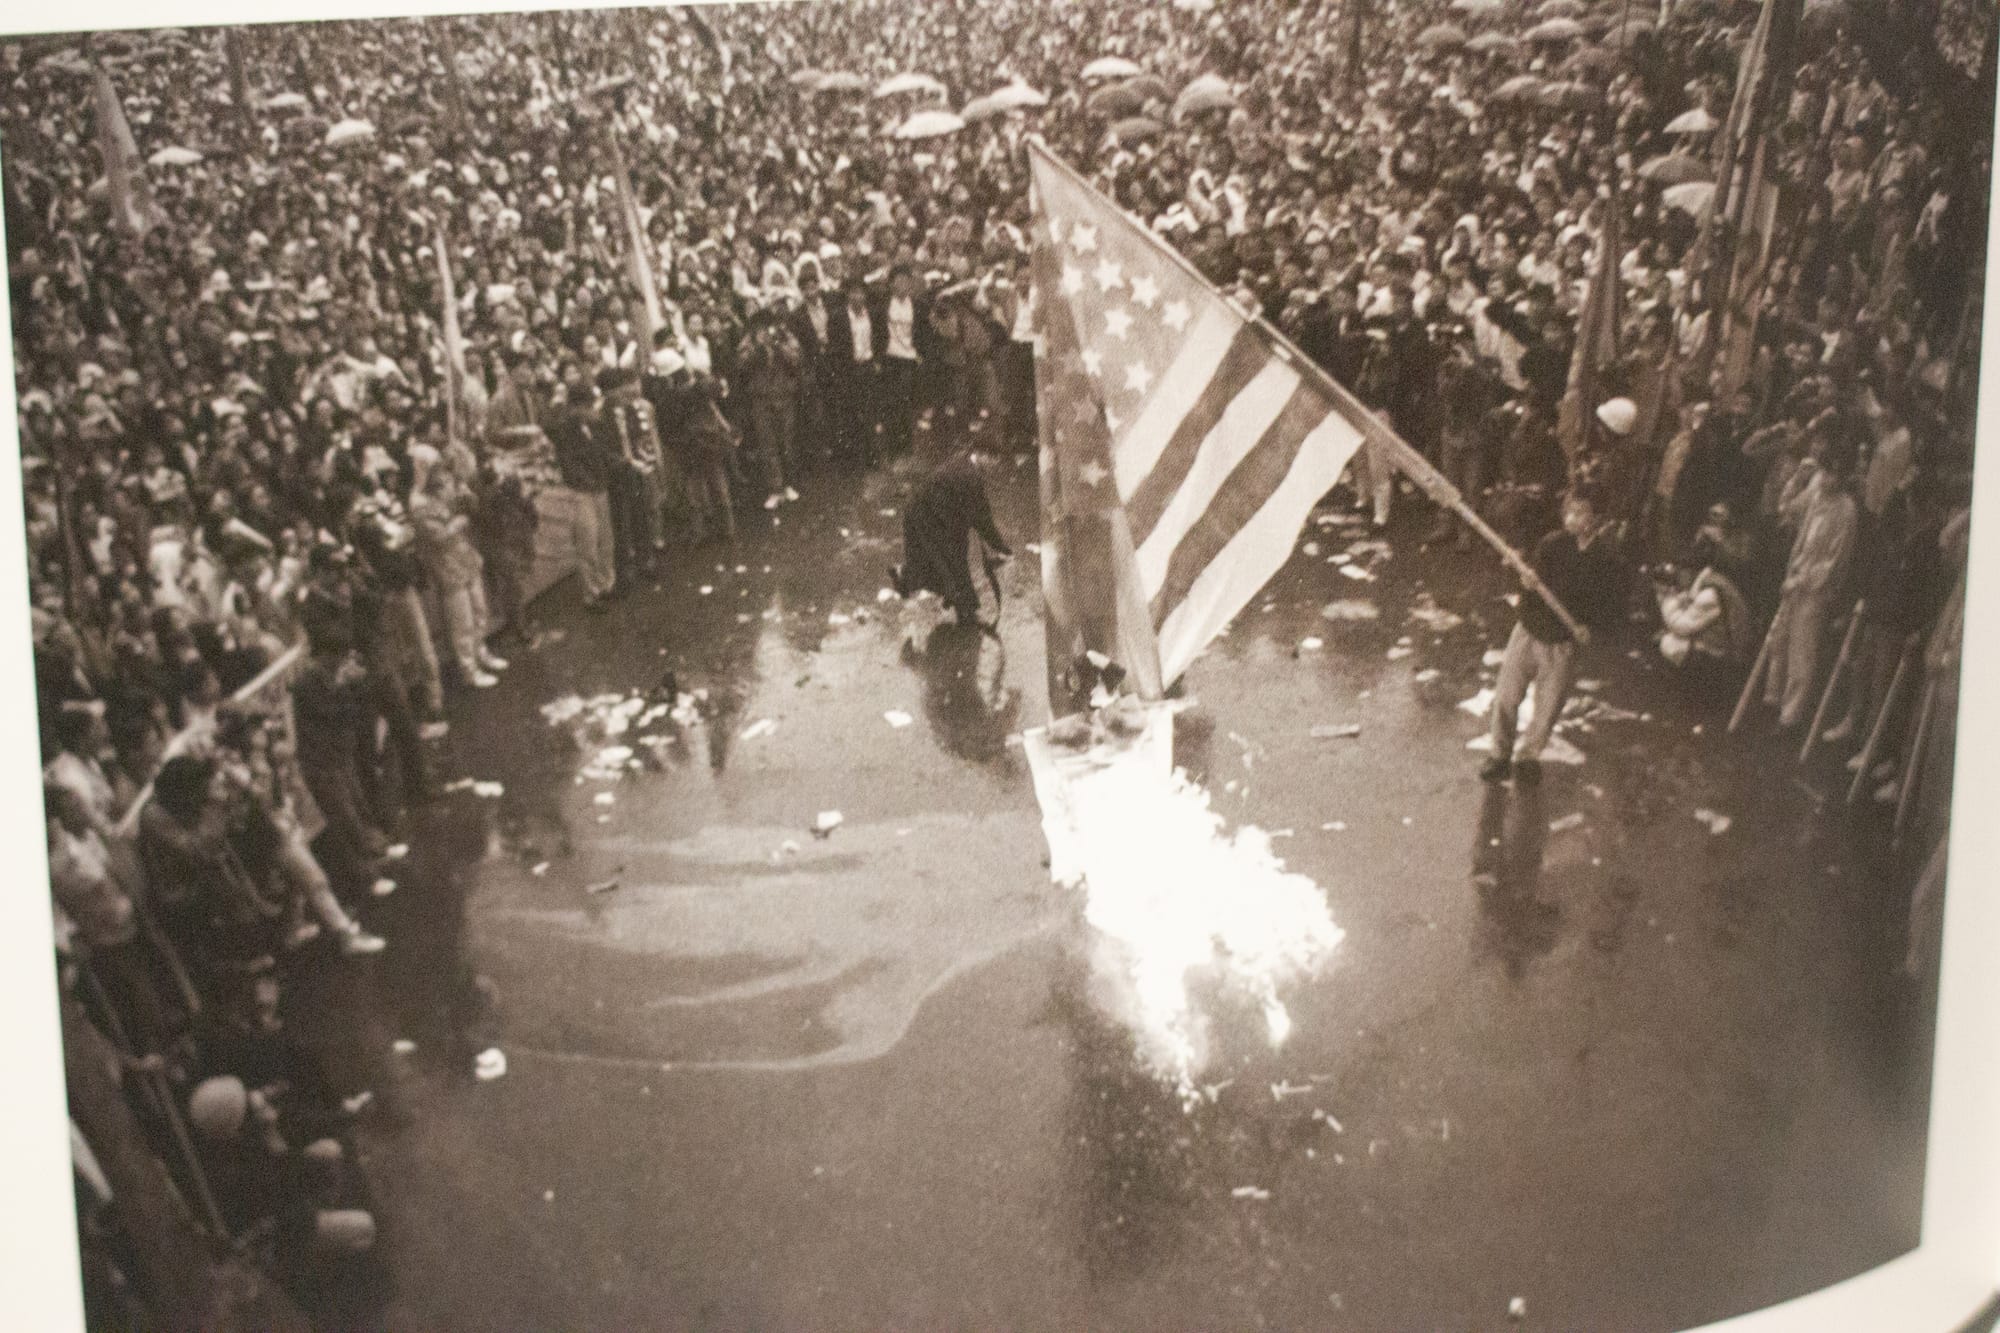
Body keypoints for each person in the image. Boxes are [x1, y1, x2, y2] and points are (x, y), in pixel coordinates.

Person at [1481, 487, 1624, 785]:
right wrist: (1527, 582)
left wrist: (1591, 629)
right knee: (1506, 697)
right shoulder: (1552, 544)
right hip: (1530, 629)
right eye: (1569, 509)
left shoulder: (1606, 560)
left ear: (1596, 519)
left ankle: (1528, 757)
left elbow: (1610, 605)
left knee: (1547, 708)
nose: (1571, 517)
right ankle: (1499, 754)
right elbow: (1530, 584)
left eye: (1580, 512)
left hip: (1562, 642)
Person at [1761, 431, 1859, 731]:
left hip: (1815, 592)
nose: (1830, 480)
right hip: (1794, 579)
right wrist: (1798, 480)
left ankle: (1790, 717)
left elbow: (1833, 562)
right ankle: (1771, 700)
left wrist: (1802, 581)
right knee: (1778, 641)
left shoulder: (1847, 511)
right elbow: (1788, 510)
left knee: (1802, 654)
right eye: (1827, 472)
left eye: (1836, 475)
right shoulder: (1816, 495)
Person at [891, 447, 1012, 631]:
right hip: (927, 516)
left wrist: (995, 543)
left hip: (927, 511)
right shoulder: (970, 475)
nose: (994, 466)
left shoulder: (965, 462)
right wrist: (1000, 546)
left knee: (936, 561)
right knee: (953, 563)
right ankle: (967, 612)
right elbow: (982, 517)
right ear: (982, 454)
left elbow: (976, 513)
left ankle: (904, 577)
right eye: (992, 460)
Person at [548, 362, 617, 610]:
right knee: (587, 543)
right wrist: (587, 481)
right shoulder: (565, 430)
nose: (594, 410)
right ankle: (592, 593)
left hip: (599, 485)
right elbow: (568, 463)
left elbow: (601, 451)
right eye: (589, 406)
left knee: (605, 539)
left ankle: (607, 583)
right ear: (578, 407)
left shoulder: (592, 425)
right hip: (581, 491)